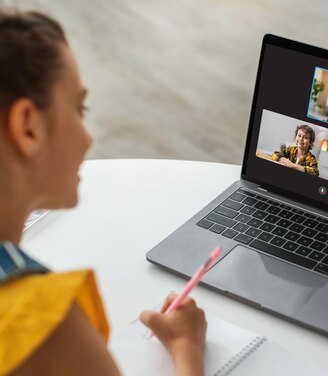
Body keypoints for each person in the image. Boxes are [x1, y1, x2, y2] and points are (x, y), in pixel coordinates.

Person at [0, 9, 207, 376]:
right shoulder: (44, 329)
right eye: (79, 109)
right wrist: (185, 347)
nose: (88, 136)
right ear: (27, 126)